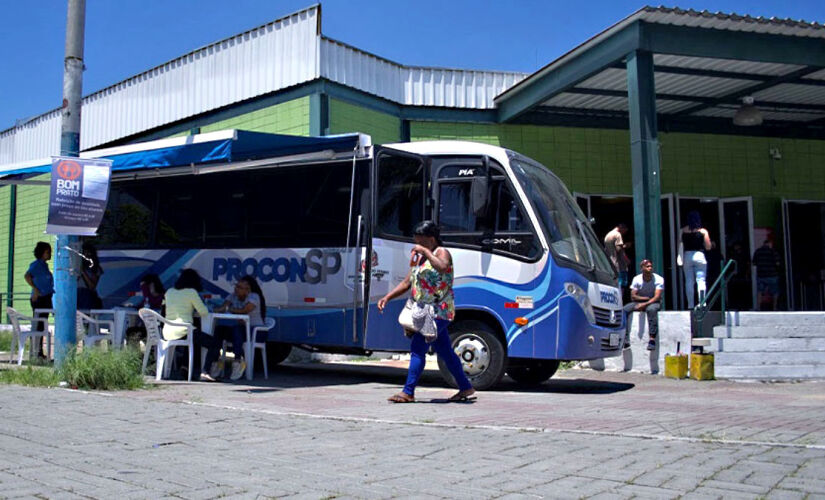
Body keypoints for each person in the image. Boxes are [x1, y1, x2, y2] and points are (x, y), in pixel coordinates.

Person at [378, 220, 475, 403]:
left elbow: (442, 267)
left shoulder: (441, 253)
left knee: (417, 347)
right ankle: (465, 387)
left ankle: (408, 392)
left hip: (439, 310)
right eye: (416, 241)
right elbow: (408, 281)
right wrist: (387, 297)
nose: (417, 245)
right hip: (424, 310)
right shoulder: (419, 257)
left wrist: (426, 252)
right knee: (445, 351)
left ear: (431, 239)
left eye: (421, 241)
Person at [163, 269, 221, 382]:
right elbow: (204, 312)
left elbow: (163, 309)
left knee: (194, 340)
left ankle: (185, 368)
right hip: (184, 330)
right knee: (214, 343)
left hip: (167, 331)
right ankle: (205, 371)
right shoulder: (191, 293)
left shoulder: (169, 292)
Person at [212, 275, 267, 380]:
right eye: (236, 286)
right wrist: (217, 309)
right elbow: (223, 307)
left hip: (255, 331)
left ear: (248, 290)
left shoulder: (254, 297)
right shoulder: (233, 296)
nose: (236, 289)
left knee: (236, 330)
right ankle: (216, 360)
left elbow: (245, 310)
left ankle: (238, 361)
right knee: (219, 330)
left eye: (239, 287)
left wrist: (229, 309)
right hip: (241, 329)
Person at [623, 259, 664, 351]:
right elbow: (633, 296)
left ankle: (652, 340)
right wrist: (645, 299)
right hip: (643, 301)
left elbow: (657, 297)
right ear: (642, 268)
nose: (650, 268)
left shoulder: (658, 279)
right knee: (624, 310)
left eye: (651, 266)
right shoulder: (637, 279)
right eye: (647, 266)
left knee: (651, 310)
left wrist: (645, 303)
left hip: (654, 302)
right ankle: (625, 340)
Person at [24, 241, 54, 358]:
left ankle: (39, 352)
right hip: (40, 298)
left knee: (42, 325)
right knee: (38, 326)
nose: (49, 254)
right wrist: (35, 290)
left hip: (46, 297)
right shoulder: (36, 265)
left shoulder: (44, 266)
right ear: (41, 252)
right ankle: (35, 352)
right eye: (47, 252)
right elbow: (27, 276)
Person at [678, 211, 711, 309]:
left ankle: (690, 305)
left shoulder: (682, 231)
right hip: (699, 255)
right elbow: (708, 247)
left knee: (689, 280)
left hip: (687, 255)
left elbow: (679, 244)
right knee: (701, 280)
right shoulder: (703, 231)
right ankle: (702, 303)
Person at [752, 239, 781, 311]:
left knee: (760, 291)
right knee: (775, 292)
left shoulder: (758, 251)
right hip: (772, 274)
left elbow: (754, 263)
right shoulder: (773, 251)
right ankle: (774, 307)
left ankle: (758, 307)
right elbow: (778, 263)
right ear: (769, 244)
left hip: (761, 275)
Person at [604, 224, 631, 294]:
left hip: (610, 264)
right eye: (625, 231)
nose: (624, 233)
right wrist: (626, 259)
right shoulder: (617, 235)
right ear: (621, 228)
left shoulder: (608, 235)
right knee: (621, 285)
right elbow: (619, 249)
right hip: (619, 265)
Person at [77, 242, 104, 310]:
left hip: (87, 295)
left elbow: (92, 286)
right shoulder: (76, 266)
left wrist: (83, 271)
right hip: (75, 293)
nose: (86, 255)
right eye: (84, 253)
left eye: (88, 253)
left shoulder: (95, 268)